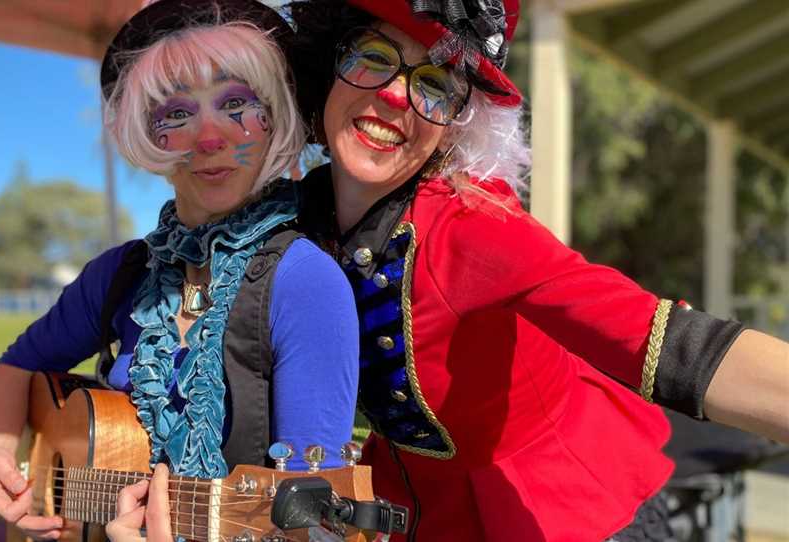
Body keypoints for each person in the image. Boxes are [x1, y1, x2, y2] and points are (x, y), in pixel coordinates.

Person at [279, 0, 789, 540]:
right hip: (423, 516)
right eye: (373, 57)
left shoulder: (473, 225)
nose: (394, 95)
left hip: (566, 513)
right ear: (328, 64)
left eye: (434, 84)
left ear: (455, 126)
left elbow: (654, 336)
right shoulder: (290, 223)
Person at [0, 1, 360, 539]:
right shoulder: (120, 274)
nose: (208, 138)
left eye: (237, 104)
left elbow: (318, 526)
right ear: (146, 134)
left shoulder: (304, 284)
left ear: (278, 119)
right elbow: (14, 368)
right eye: (174, 114)